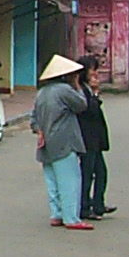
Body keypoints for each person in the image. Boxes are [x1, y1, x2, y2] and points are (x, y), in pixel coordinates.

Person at [32, 54, 92, 231]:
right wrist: (78, 86)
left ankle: (56, 214)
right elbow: (82, 105)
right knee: (70, 180)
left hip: (45, 142)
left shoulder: (42, 93)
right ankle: (71, 218)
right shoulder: (65, 91)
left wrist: (39, 130)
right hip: (64, 141)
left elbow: (33, 118)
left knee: (52, 181)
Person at [77, 55, 116, 221]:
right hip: (87, 138)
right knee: (87, 173)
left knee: (101, 172)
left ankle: (98, 204)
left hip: (95, 138)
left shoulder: (86, 89)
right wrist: (95, 93)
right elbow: (90, 110)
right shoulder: (81, 91)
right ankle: (84, 207)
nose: (95, 75)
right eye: (93, 70)